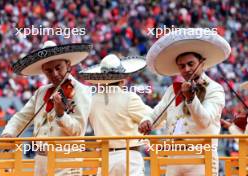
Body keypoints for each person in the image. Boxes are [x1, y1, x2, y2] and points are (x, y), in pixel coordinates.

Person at [138, 28, 231, 176]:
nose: (186, 69)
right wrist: (147, 120)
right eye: (182, 66)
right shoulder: (172, 90)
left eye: (191, 64)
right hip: (173, 159)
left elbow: (204, 121)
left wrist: (191, 98)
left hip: (202, 159)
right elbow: (156, 113)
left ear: (202, 63)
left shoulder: (215, 89)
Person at [1, 40, 92, 176]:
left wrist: (61, 115)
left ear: (68, 64)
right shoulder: (41, 92)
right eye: (48, 71)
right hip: (41, 161)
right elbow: (22, 117)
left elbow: (78, 130)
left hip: (67, 161)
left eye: (58, 67)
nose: (54, 74)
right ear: (43, 71)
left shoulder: (81, 90)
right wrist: (9, 133)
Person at [79, 54, 153, 176]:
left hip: (104, 159)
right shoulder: (130, 97)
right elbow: (156, 120)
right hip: (129, 159)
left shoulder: (92, 101)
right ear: (122, 80)